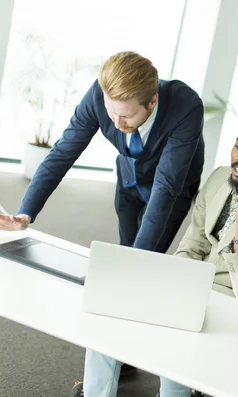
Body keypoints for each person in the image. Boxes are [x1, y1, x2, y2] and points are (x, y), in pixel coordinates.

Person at [72, 113, 238, 397]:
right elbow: (193, 242)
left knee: (180, 337)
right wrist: (177, 283)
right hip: (195, 284)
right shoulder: (221, 177)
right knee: (111, 310)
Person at [0, 51, 205, 255]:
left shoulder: (186, 106)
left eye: (126, 116)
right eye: (110, 112)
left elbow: (166, 185)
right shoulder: (99, 94)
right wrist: (25, 214)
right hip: (129, 180)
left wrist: (138, 259)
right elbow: (62, 154)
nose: (116, 124)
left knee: (143, 258)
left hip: (171, 192)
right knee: (125, 249)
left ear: (152, 101)